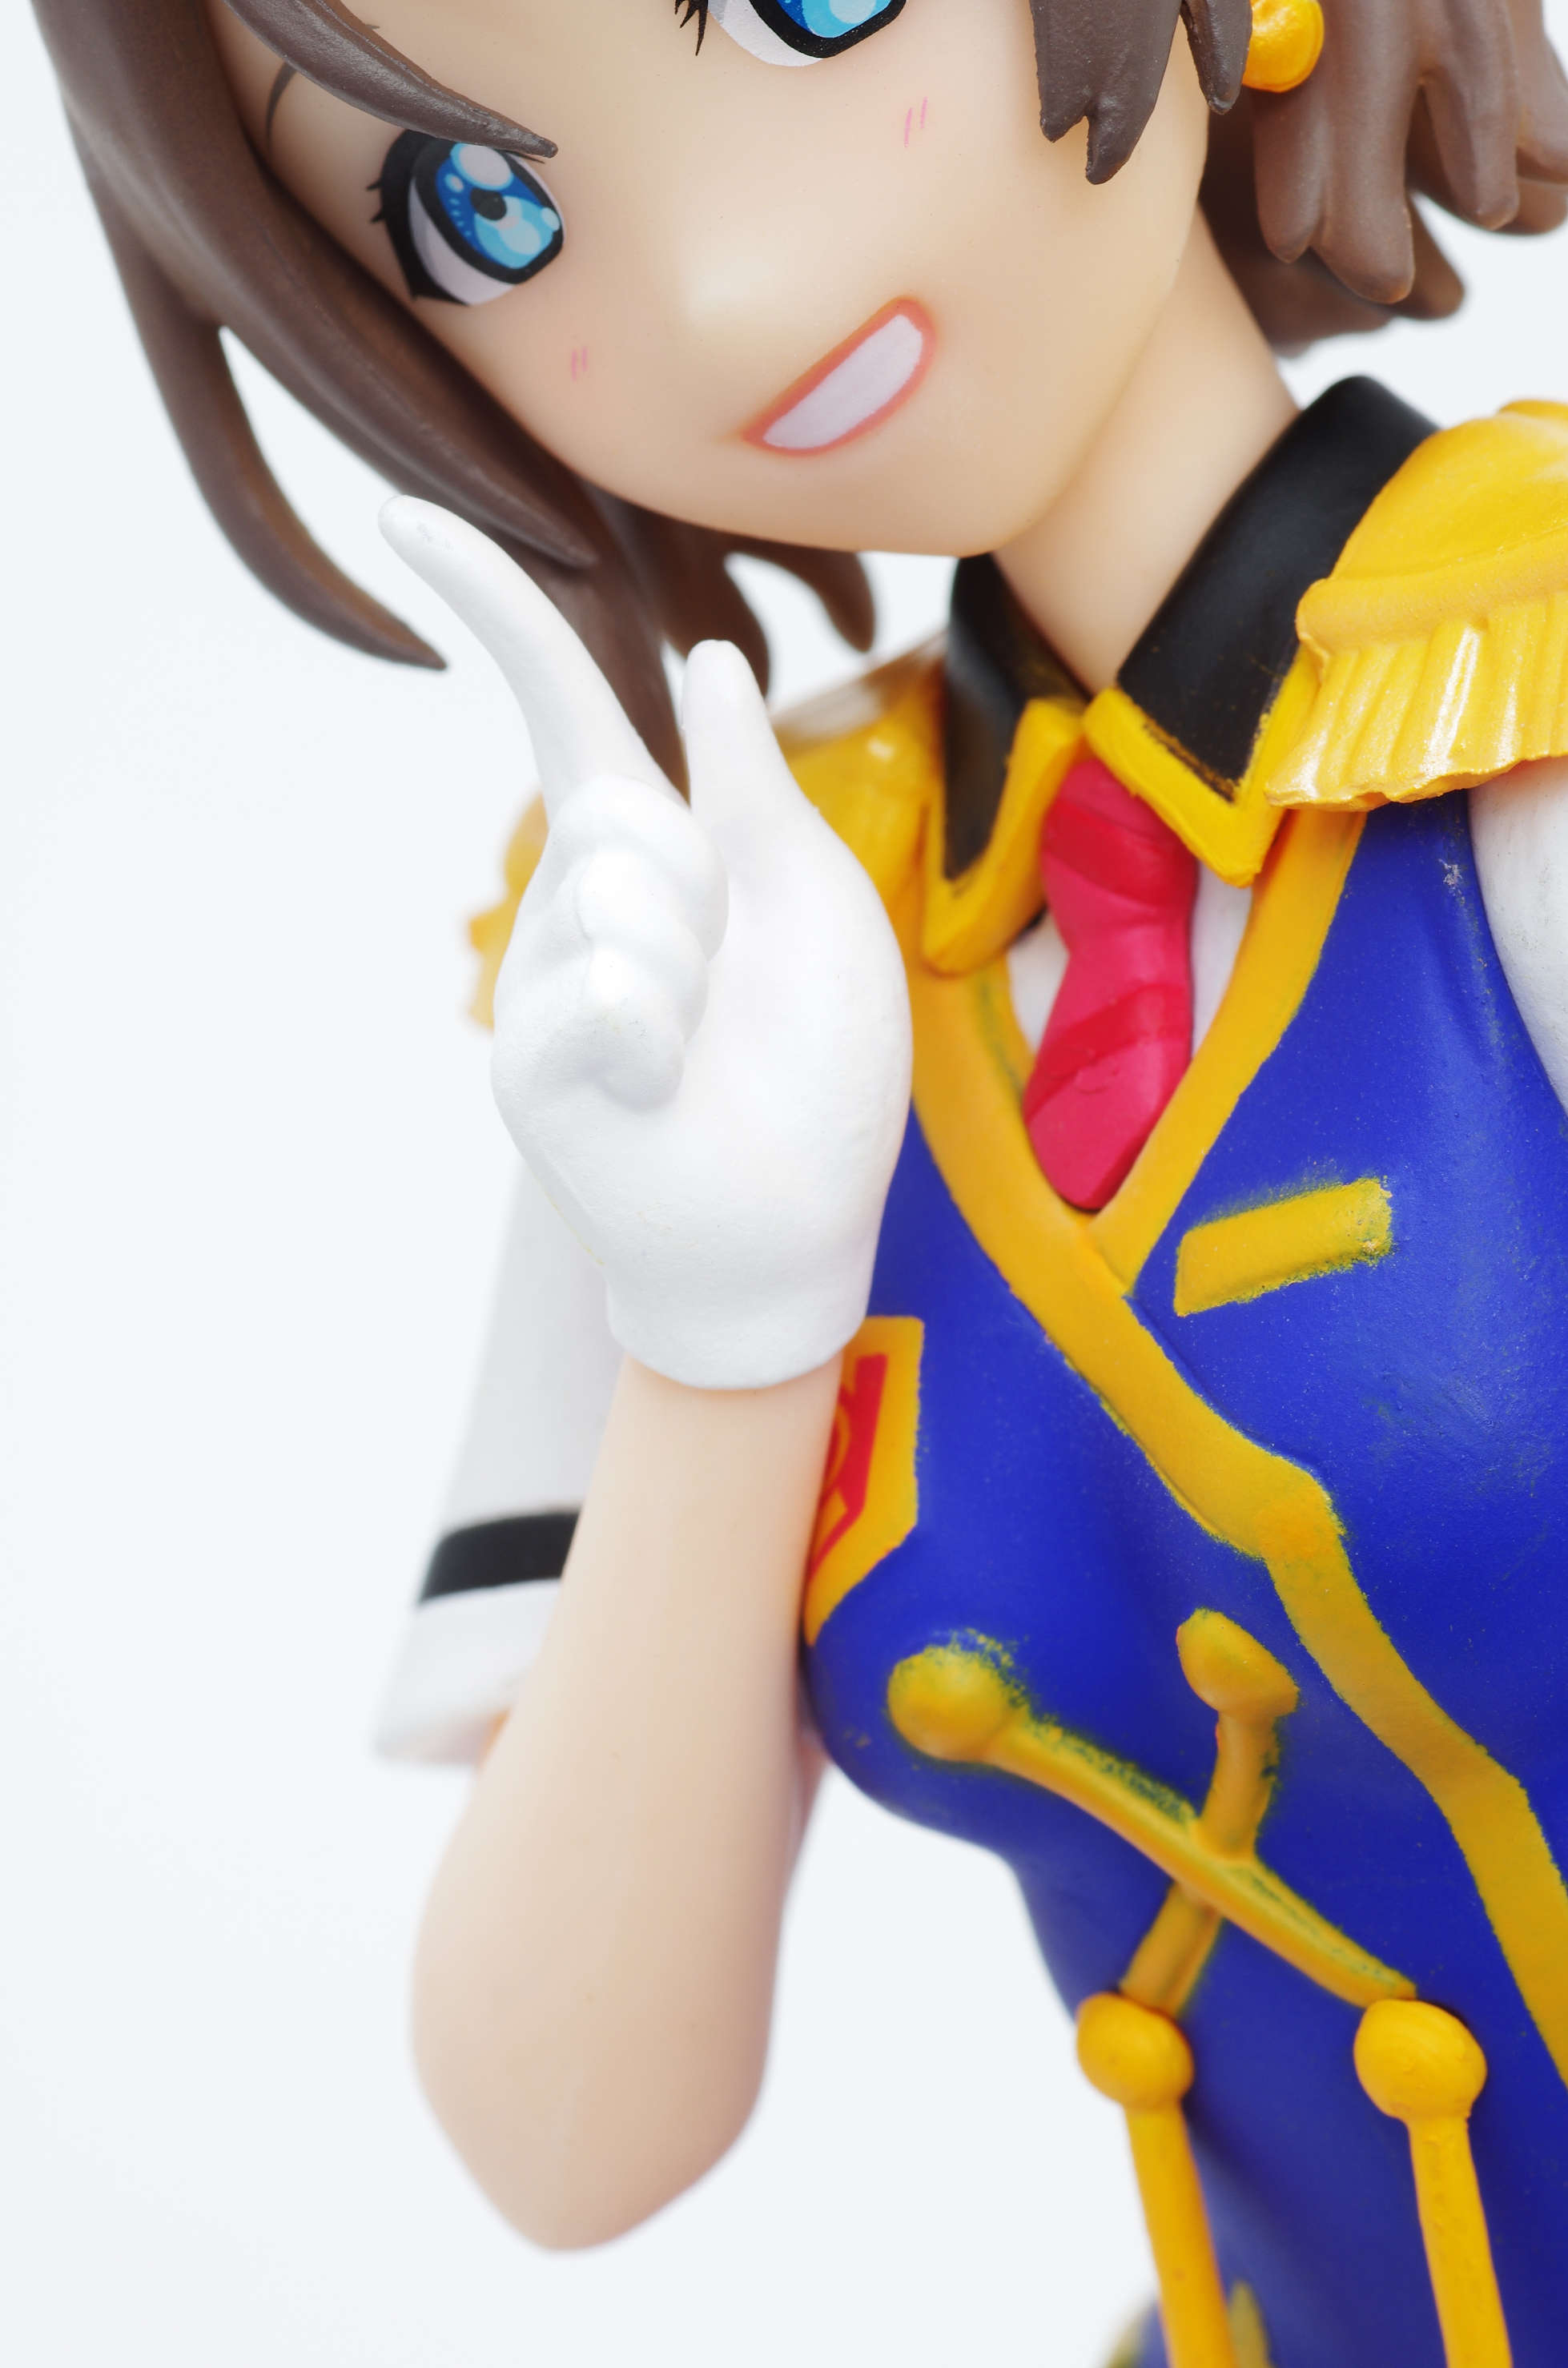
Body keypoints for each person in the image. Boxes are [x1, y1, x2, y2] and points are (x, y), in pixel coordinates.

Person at [31, 0, 1568, 2358]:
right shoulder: (746, 949)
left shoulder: (1529, 717)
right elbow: (569, 2133)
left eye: (813, 8)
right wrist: (720, 1334)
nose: (728, 290)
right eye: (481, 212)